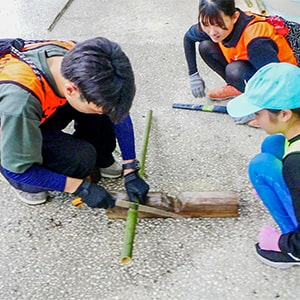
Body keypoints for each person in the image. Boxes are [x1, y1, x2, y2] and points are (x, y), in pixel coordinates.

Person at [0, 37, 149, 208]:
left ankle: (101, 156)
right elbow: (19, 171)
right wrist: (80, 188)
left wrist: (130, 167)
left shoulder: (84, 59)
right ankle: (25, 185)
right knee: (77, 161)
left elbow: (116, 107)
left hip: (38, 107)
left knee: (100, 106)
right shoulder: (20, 103)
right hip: (10, 123)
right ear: (70, 90)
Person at [227, 62, 300, 269]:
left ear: (284, 113)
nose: (255, 119)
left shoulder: (296, 163)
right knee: (272, 144)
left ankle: (293, 254)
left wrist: (281, 242)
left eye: (258, 113)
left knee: (260, 166)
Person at [184, 0, 299, 124]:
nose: (212, 32)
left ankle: (265, 107)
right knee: (206, 46)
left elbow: (276, 81)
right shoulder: (212, 26)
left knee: (235, 71)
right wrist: (193, 75)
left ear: (234, 17)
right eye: (206, 24)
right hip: (255, 66)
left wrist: (263, 113)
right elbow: (188, 38)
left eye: (219, 24)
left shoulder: (257, 42)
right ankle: (238, 87)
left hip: (286, 81)